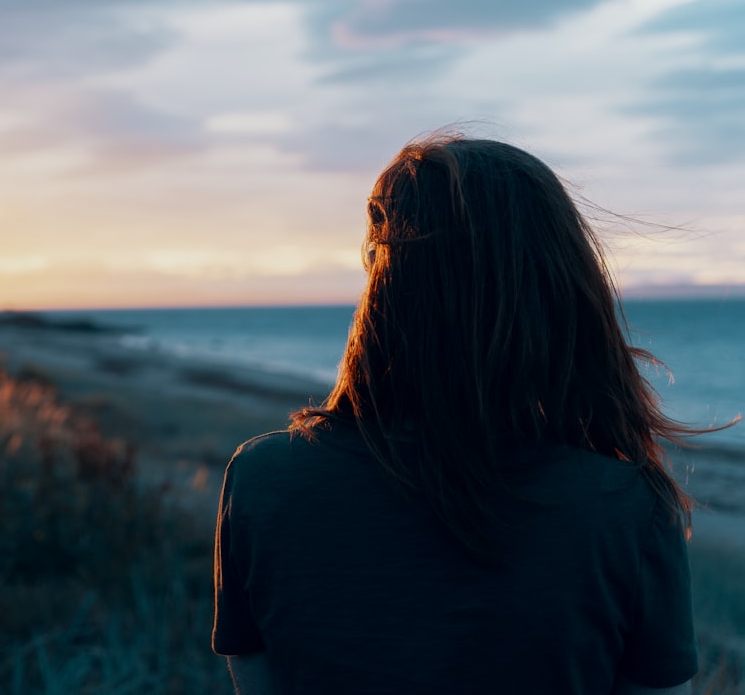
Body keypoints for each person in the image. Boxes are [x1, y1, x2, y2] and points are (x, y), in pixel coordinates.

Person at [212, 134, 705, 694]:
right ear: (561, 291)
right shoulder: (626, 508)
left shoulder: (263, 479)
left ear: (383, 283)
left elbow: (257, 680)